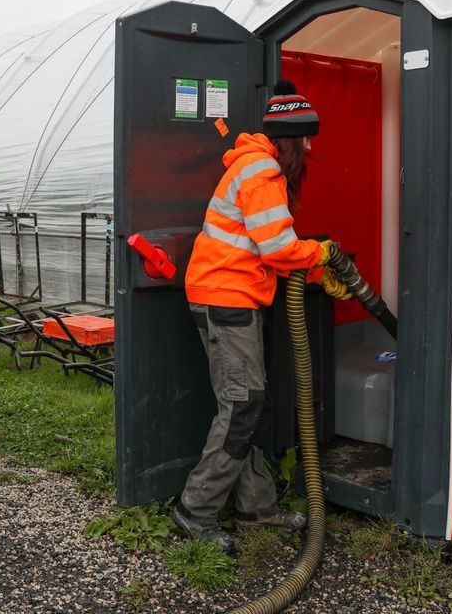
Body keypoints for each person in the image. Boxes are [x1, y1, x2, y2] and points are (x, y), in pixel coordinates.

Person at [171, 79, 351, 555]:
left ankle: (256, 508)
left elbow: (266, 245)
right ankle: (195, 510)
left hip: (232, 296)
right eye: (306, 139)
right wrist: (321, 253)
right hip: (225, 299)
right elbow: (277, 247)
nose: (309, 148)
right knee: (242, 407)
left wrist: (314, 268)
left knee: (251, 405)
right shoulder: (263, 171)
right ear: (290, 138)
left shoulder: (255, 165)